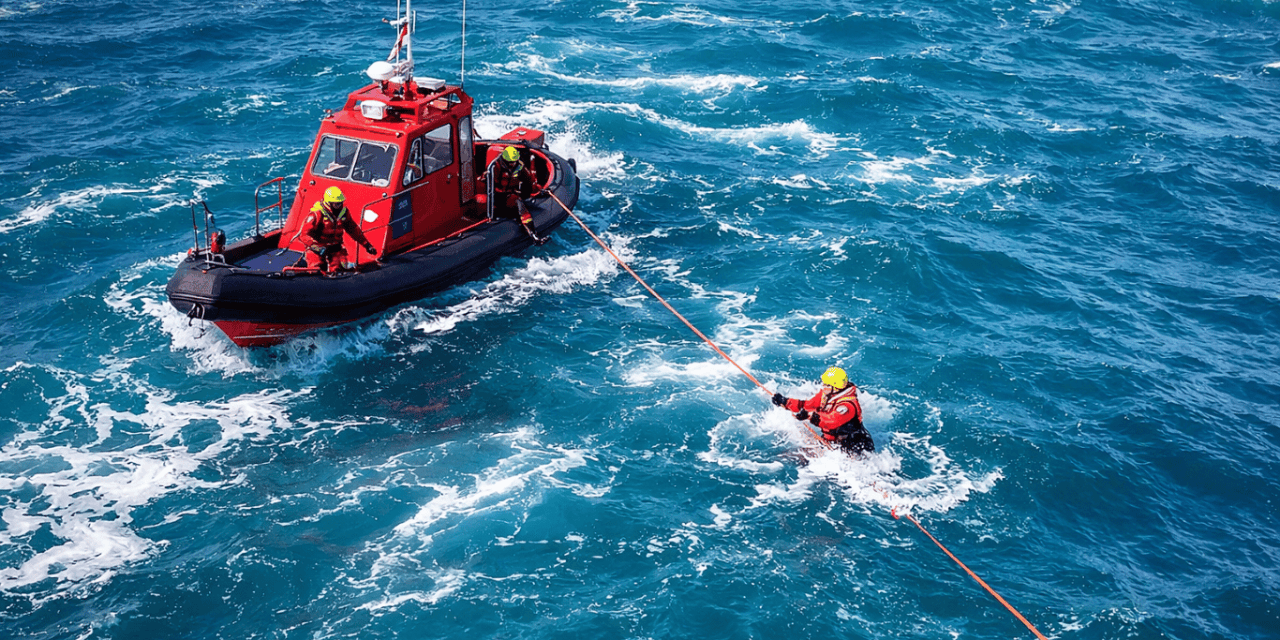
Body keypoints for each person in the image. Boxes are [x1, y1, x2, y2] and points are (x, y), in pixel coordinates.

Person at [772, 366, 874, 454]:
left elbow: (832, 421)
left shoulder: (847, 406)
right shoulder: (826, 394)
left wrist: (810, 416)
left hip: (853, 447)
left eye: (826, 384)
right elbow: (808, 405)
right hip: (832, 444)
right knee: (791, 455)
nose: (823, 386)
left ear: (836, 387)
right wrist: (785, 402)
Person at [301, 186, 378, 274]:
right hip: (317, 248)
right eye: (336, 204)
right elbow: (304, 235)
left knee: (338, 268)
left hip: (335, 247)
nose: (339, 206)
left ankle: (337, 277)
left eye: (341, 203)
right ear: (328, 203)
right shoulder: (317, 214)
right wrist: (317, 248)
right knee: (316, 269)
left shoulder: (343, 213)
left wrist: (367, 245)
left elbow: (353, 230)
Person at [487, 145, 546, 244]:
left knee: (519, 204)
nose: (513, 164)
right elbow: (490, 185)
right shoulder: (496, 167)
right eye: (511, 162)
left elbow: (528, 181)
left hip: (510, 196)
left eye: (514, 161)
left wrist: (528, 193)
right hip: (496, 196)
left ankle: (533, 235)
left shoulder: (519, 166)